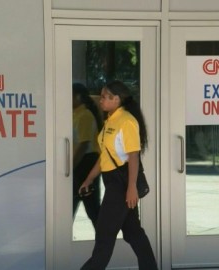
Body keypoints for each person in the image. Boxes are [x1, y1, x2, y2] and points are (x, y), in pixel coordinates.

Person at [79, 80, 158, 270]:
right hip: (114, 181)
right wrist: (89, 179)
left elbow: (133, 156)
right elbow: (105, 158)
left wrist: (131, 188)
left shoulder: (127, 121)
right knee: (133, 233)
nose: (101, 100)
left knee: (104, 234)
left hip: (121, 184)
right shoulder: (110, 121)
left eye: (106, 97)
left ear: (117, 99)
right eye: (102, 96)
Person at [72, 83, 102, 228]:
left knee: (93, 209)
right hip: (80, 163)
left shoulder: (85, 115)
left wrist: (70, 167)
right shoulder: (75, 114)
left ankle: (104, 244)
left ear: (78, 97)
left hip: (85, 163)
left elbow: (83, 145)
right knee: (70, 206)